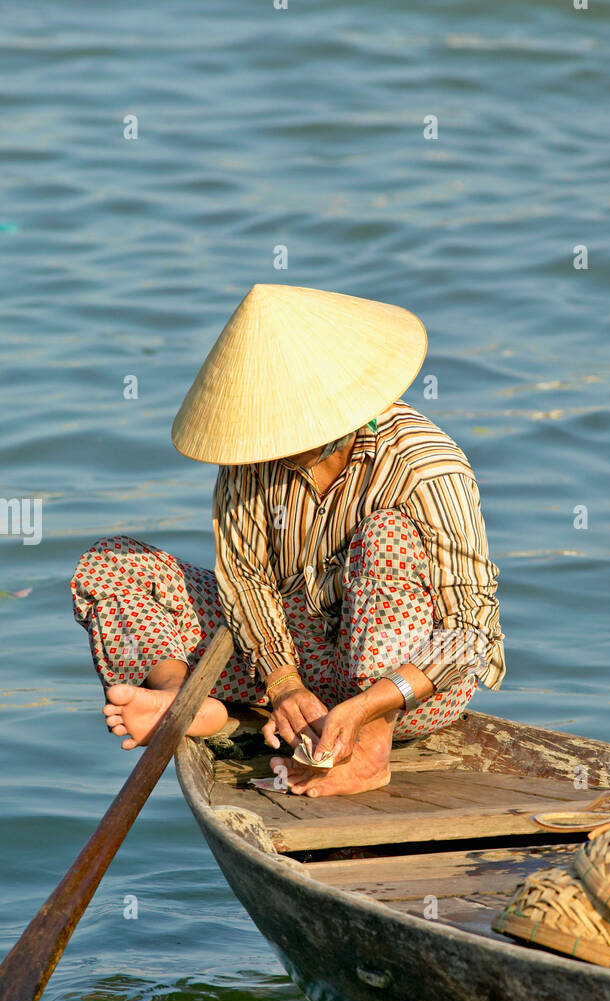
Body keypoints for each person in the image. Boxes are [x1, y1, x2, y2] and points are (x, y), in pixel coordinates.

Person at [71, 284, 504, 797]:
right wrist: (283, 683)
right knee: (110, 564)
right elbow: (245, 581)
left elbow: (472, 631)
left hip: (402, 685)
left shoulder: (424, 468)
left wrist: (366, 707)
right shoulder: (250, 460)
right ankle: (180, 699)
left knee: (385, 535)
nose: (270, 447)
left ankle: (368, 748)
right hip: (286, 657)